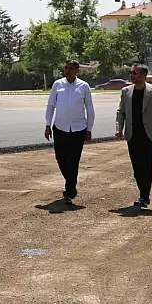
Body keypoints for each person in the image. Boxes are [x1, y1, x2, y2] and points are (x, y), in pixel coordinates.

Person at [114, 63, 152, 209]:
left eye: (135, 73)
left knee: (146, 164)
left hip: (149, 135)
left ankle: (145, 196)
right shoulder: (126, 91)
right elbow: (121, 112)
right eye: (132, 72)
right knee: (136, 166)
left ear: (144, 75)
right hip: (132, 134)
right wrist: (119, 128)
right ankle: (142, 193)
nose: (132, 75)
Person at [44, 59, 95, 202]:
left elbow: (89, 109)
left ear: (77, 71)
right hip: (60, 128)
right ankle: (71, 182)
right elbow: (50, 106)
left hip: (79, 129)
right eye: (66, 68)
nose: (67, 70)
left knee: (73, 160)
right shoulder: (57, 85)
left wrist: (89, 129)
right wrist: (48, 125)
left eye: (71, 68)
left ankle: (70, 190)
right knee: (61, 159)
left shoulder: (84, 87)